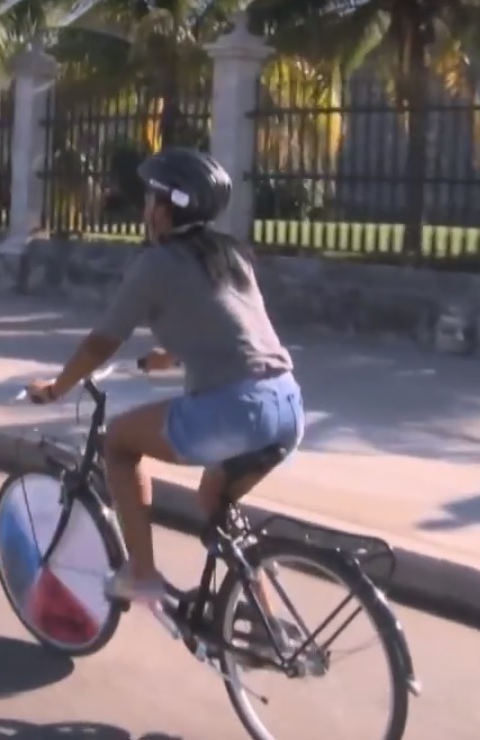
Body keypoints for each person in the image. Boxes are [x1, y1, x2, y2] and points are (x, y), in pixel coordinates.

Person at [24, 148, 305, 605]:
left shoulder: (155, 264)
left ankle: (143, 575)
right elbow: (236, 329)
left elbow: (102, 342)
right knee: (214, 501)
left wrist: (57, 388)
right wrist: (172, 356)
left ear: (167, 206)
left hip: (235, 411)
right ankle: (256, 616)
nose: (145, 207)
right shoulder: (231, 255)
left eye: (151, 197)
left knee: (118, 442)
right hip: (287, 406)